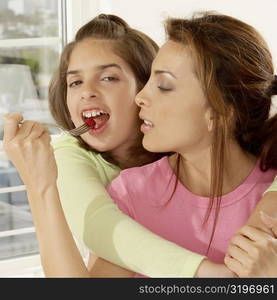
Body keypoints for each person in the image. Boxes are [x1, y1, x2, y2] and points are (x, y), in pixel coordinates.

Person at [2, 13, 277, 278]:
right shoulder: (130, 193)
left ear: (219, 111)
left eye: (164, 85)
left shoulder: (269, 191)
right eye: (74, 82)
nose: (141, 98)